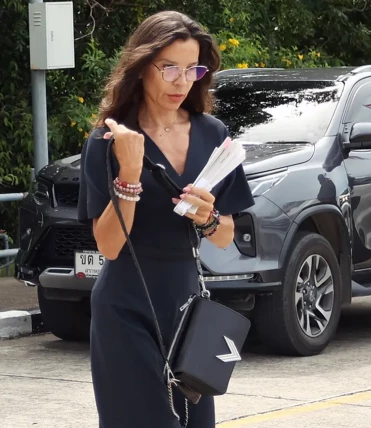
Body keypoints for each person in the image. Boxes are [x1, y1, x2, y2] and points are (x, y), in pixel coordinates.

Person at [77, 11, 255, 427]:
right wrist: (130, 175)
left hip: (188, 308)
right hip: (126, 308)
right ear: (142, 69)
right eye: (169, 68)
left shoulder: (213, 134)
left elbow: (226, 237)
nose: (181, 81)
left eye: (192, 68)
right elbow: (108, 246)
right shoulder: (110, 140)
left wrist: (207, 217)